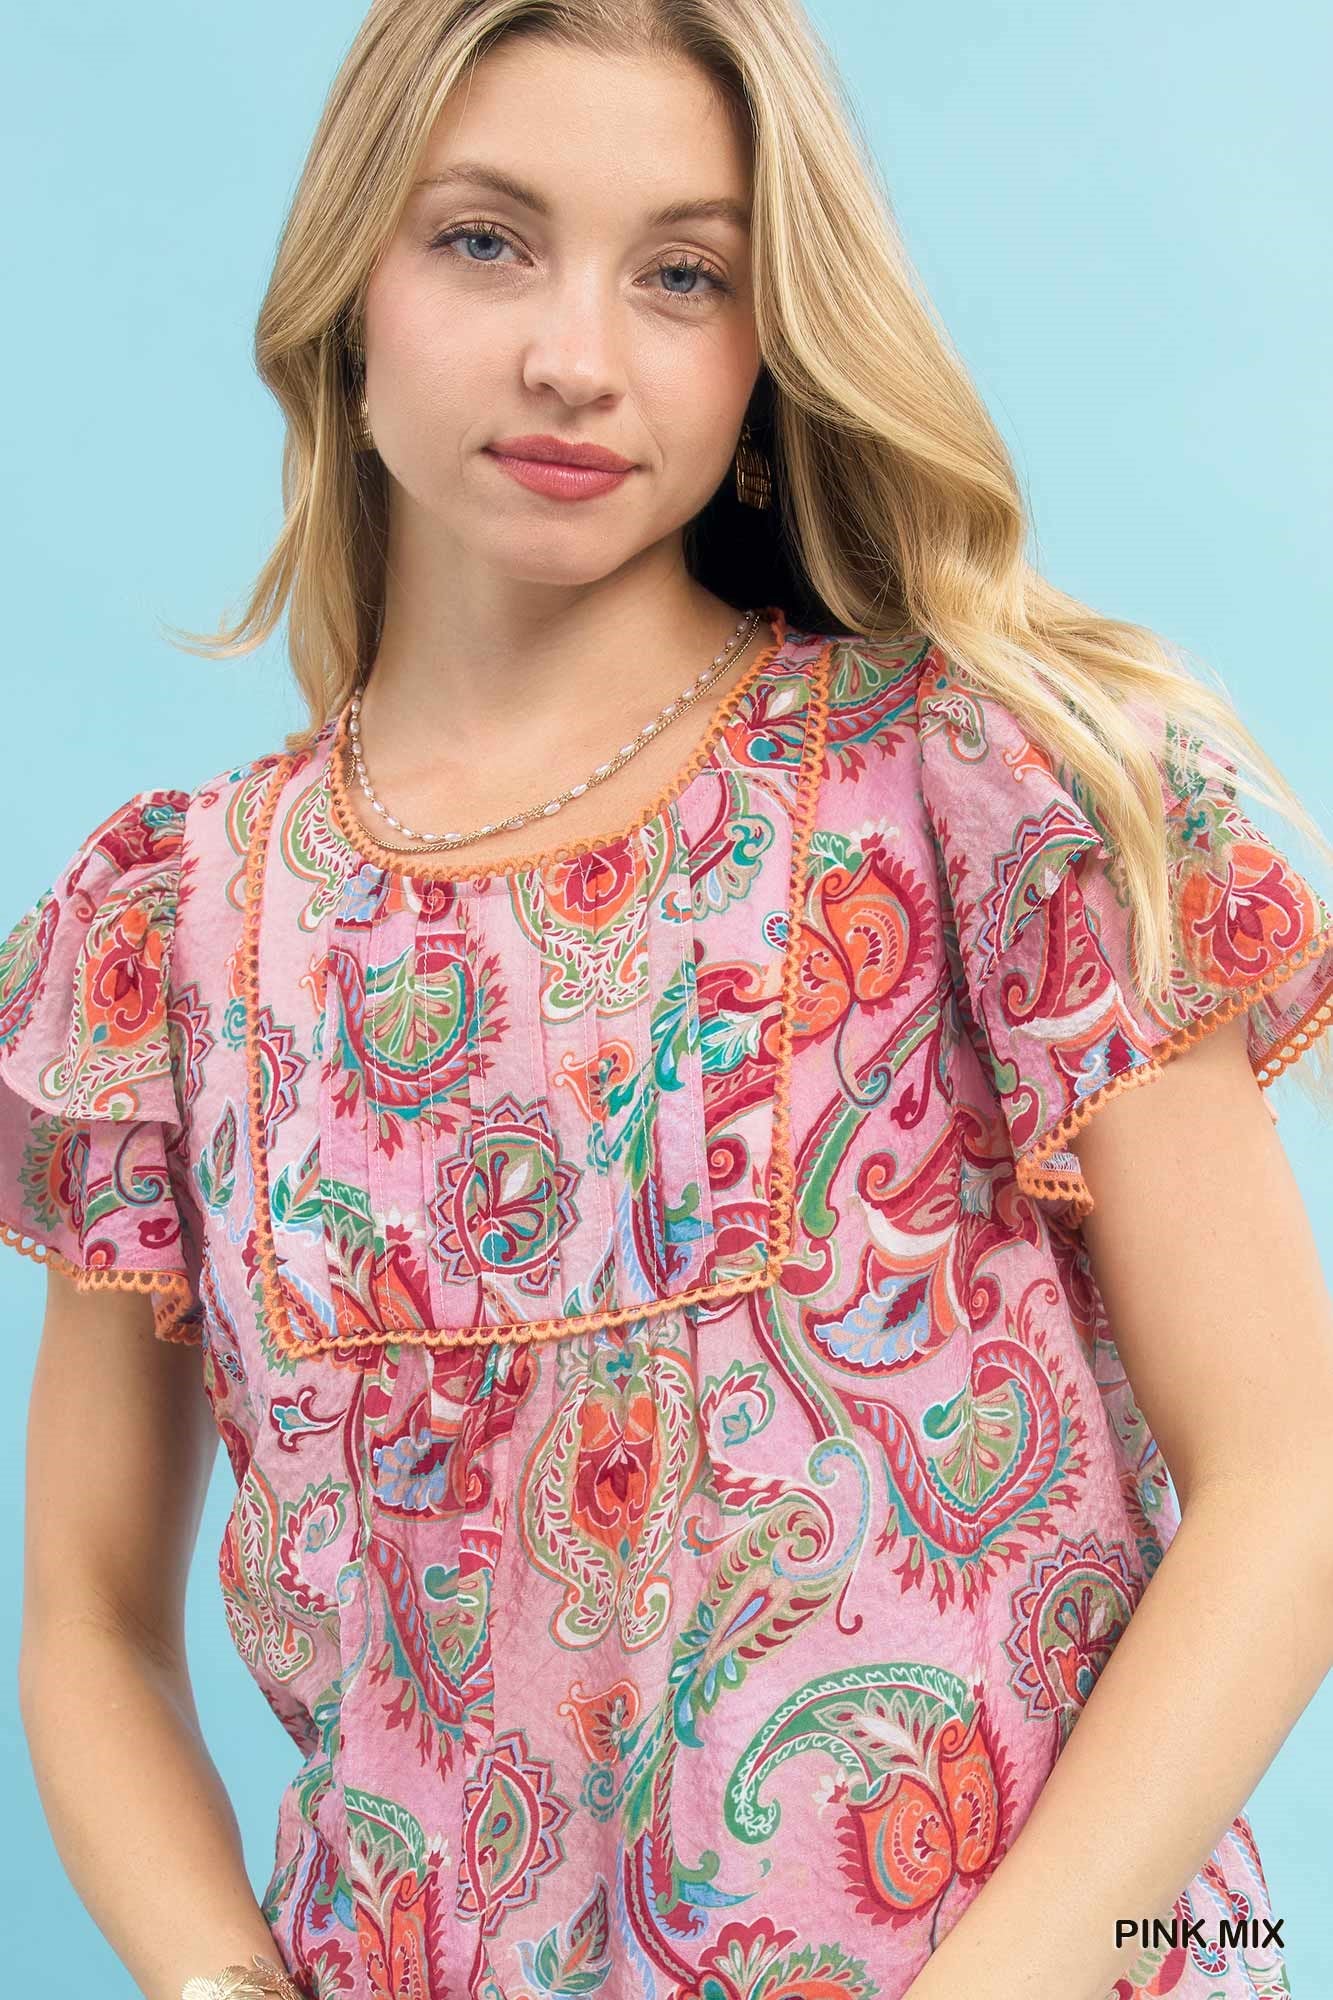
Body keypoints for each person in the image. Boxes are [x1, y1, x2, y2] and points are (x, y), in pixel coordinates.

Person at [5, 3, 1333, 1998]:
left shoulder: (979, 786)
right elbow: (90, 1619)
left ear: (766, 344)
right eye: (484, 239)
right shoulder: (175, 929)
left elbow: (1289, 1484)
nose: (575, 354)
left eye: (683, 275)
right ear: (346, 288)